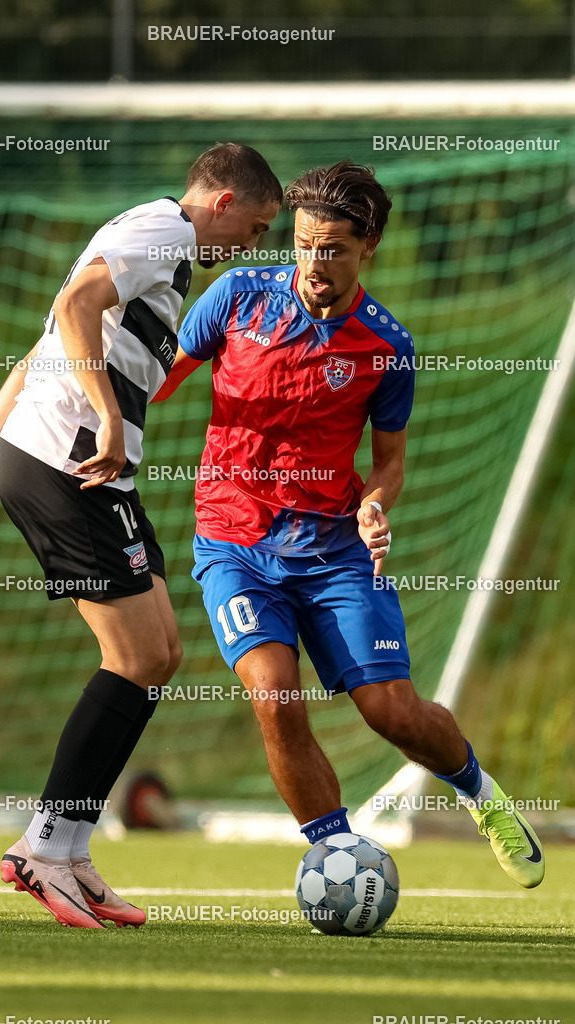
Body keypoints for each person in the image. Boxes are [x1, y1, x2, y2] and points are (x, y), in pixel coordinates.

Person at [154, 160, 545, 889]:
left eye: (331, 248)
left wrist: (373, 503)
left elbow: (389, 464)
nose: (312, 263)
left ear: (367, 248)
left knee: (390, 713)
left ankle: (482, 797)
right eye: (302, 244)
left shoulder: (386, 347)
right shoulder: (237, 297)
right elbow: (157, 377)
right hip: (233, 543)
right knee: (274, 694)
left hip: (332, 552)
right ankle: (335, 854)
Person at [0, 143, 283, 929]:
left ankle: (71, 845)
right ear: (221, 201)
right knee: (133, 656)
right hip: (66, 461)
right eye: (255, 229)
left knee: (157, 654)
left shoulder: (163, 249)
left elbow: (38, 354)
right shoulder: (162, 228)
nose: (253, 248)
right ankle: (43, 850)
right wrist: (112, 417)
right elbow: (74, 307)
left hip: (84, 467)